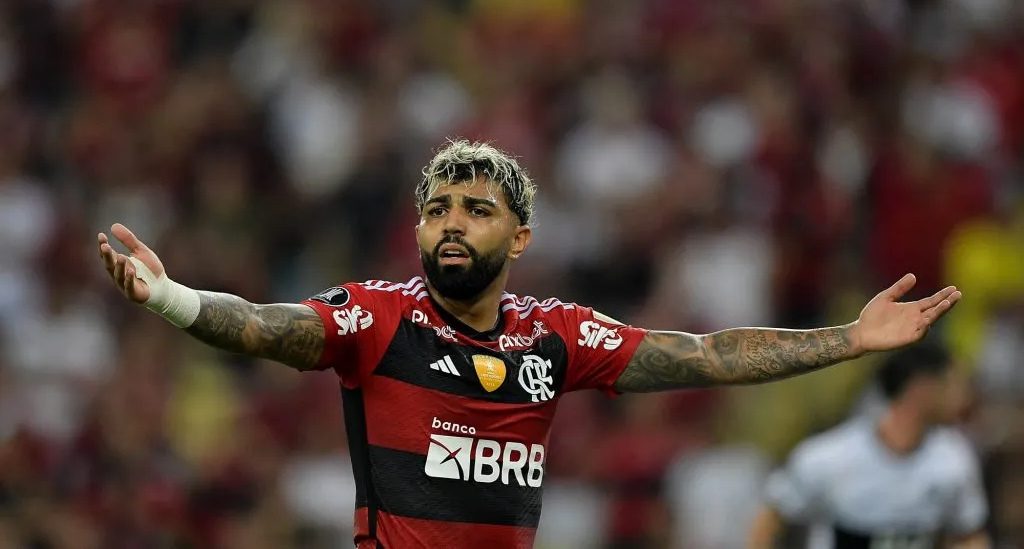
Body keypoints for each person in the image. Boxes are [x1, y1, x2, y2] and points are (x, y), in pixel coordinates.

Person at [97, 139, 962, 549]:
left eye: (477, 211)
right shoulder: (379, 317)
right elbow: (266, 327)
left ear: (519, 239)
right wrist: (171, 297)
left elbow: (707, 354)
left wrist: (850, 338)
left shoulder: (555, 335)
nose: (451, 223)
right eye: (437, 209)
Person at [747, 341, 990, 549]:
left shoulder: (954, 459)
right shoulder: (830, 457)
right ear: (923, 389)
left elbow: (970, 535)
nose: (964, 398)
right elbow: (770, 519)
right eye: (954, 384)